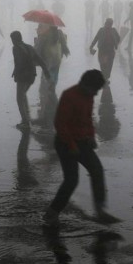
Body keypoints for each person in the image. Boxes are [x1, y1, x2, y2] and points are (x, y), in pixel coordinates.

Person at [43, 69, 121, 226]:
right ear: (86, 85)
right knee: (71, 180)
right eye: (95, 89)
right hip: (65, 143)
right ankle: (52, 213)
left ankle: (100, 211)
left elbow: (88, 118)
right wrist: (71, 145)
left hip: (83, 142)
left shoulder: (89, 96)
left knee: (97, 171)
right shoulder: (69, 96)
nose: (96, 93)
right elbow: (60, 124)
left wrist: (91, 136)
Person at [10, 30, 50, 129]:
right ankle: (26, 116)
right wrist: (46, 71)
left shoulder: (15, 48)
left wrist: (15, 73)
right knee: (23, 95)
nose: (12, 41)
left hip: (23, 76)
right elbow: (40, 59)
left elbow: (19, 63)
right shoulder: (29, 47)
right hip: (32, 75)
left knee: (19, 98)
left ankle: (25, 121)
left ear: (15, 39)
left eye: (12, 39)